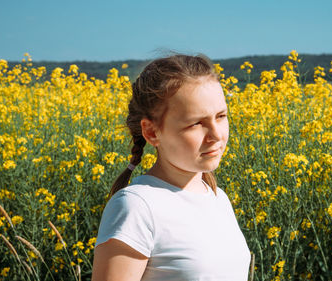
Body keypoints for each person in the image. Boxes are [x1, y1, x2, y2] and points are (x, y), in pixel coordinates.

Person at [91, 54, 251, 281]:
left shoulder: (218, 198)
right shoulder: (137, 207)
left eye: (221, 116)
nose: (216, 135)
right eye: (197, 123)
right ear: (152, 132)